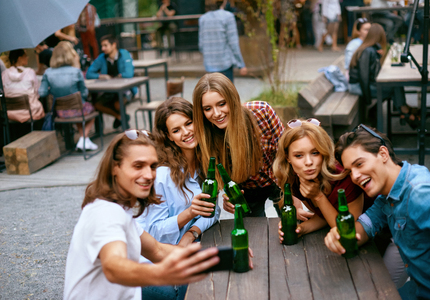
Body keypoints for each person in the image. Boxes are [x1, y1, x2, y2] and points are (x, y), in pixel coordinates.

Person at [63, 129, 220, 300]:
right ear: (115, 167)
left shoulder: (121, 212)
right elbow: (114, 266)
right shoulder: (106, 212)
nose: (148, 175)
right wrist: (163, 273)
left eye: (153, 166)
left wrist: (219, 256)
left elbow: (157, 250)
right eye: (138, 166)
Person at [325, 125, 430, 299]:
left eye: (359, 164)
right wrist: (339, 235)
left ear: (383, 154)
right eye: (349, 171)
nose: (354, 177)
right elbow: (365, 227)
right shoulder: (388, 194)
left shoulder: (421, 194)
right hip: (418, 289)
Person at [136, 97, 221, 300]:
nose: (186, 133)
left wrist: (191, 233)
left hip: (182, 251)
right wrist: (189, 213)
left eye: (189, 123)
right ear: (169, 137)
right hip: (151, 263)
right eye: (176, 130)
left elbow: (213, 210)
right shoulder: (162, 175)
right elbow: (152, 234)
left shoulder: (203, 163)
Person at [192, 73, 284, 217]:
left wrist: (293, 193)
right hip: (247, 189)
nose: (216, 114)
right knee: (255, 234)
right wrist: (227, 200)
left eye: (222, 104)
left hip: (279, 177)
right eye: (208, 109)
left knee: (292, 225)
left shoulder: (262, 112)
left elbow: (285, 153)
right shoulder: (207, 138)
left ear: (232, 99)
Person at [273, 118, 365, 241]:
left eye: (315, 153)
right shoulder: (294, 178)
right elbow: (325, 215)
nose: (308, 162)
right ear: (288, 157)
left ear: (324, 152)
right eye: (299, 155)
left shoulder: (345, 178)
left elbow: (345, 232)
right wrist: (300, 229)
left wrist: (318, 196)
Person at [348, 24, 415, 128]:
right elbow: (363, 76)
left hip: (364, 84)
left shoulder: (372, 48)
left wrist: (379, 56)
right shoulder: (367, 51)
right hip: (357, 86)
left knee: (394, 85)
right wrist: (368, 99)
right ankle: (403, 111)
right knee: (394, 87)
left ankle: (402, 111)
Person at [39, 41, 98, 151]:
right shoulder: (76, 71)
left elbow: (42, 93)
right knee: (92, 110)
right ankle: (83, 139)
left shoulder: (48, 73)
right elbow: (84, 92)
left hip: (60, 112)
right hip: (78, 109)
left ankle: (84, 140)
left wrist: (52, 92)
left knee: (78, 109)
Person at [86, 34, 136, 129]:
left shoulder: (124, 54)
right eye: (102, 46)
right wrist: (100, 76)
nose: (103, 48)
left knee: (117, 105)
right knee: (97, 105)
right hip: (109, 91)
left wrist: (117, 76)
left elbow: (129, 73)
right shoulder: (102, 57)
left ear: (113, 45)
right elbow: (89, 74)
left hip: (125, 90)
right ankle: (120, 117)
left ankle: (123, 124)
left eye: (105, 45)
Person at [198, 1, 248, 83]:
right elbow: (233, 43)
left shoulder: (203, 19)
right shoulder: (228, 17)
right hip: (225, 63)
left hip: (209, 65)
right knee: (227, 94)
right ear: (224, 1)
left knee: (214, 92)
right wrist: (241, 64)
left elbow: (201, 45)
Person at [2, 49, 45, 126]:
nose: (28, 57)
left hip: (9, 113)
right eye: (25, 56)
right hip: (30, 113)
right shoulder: (30, 72)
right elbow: (37, 93)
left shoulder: (4, 74)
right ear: (19, 58)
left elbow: (2, 92)